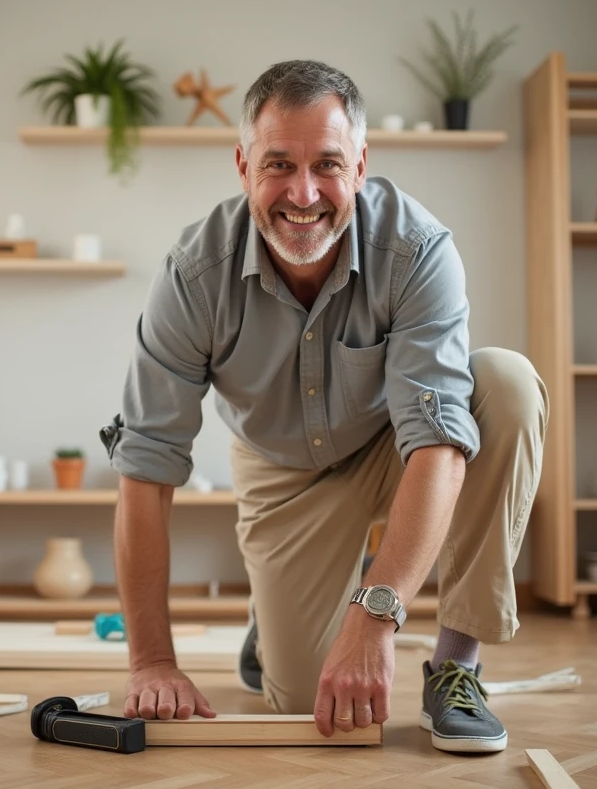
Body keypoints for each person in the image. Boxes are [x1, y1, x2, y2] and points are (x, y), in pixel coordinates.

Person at [98, 59, 548, 754]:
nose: (303, 193)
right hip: (282, 474)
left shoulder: (417, 249)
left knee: (507, 385)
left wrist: (375, 615)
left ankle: (458, 670)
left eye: (327, 165)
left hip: (394, 446)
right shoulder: (193, 276)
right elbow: (146, 469)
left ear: (361, 166)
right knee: (315, 706)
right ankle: (271, 620)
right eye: (279, 164)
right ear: (243, 165)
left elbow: (436, 443)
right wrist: (151, 661)